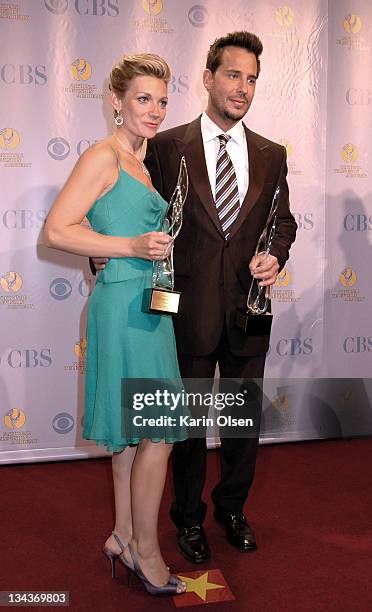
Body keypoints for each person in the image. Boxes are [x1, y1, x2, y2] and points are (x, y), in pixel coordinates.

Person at [93, 31, 297, 563]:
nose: (242, 88)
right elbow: (132, 210)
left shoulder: (272, 154)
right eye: (233, 75)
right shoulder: (164, 146)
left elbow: (283, 222)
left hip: (249, 313)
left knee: (239, 422)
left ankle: (232, 508)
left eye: (251, 79)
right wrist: (104, 253)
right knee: (179, 431)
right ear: (208, 79)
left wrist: (276, 255)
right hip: (180, 314)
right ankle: (187, 520)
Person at [44, 53, 186, 597]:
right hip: (126, 306)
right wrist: (126, 246)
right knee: (156, 434)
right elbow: (58, 229)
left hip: (147, 304)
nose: (154, 110)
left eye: (162, 101)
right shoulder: (103, 155)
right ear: (117, 101)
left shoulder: (141, 159)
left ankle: (124, 536)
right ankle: (147, 554)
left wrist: (127, 249)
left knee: (132, 437)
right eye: (143, 99)